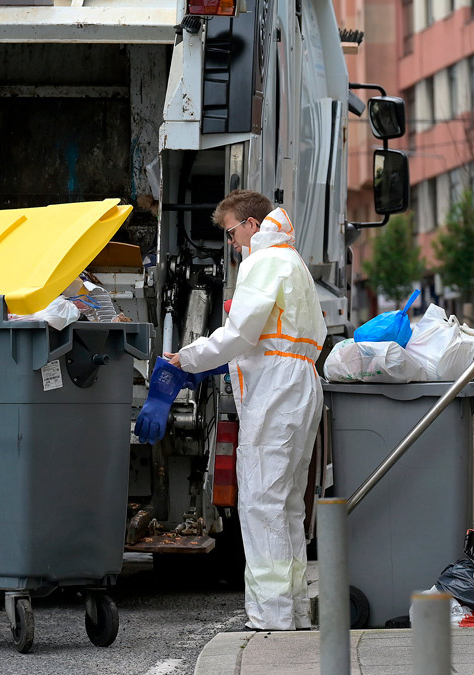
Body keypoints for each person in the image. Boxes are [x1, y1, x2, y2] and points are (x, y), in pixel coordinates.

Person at [166, 190, 326, 631]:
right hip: (300, 385)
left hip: (275, 389)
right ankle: (292, 609)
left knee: (261, 501)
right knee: (290, 503)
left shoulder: (264, 261)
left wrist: (190, 356)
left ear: (252, 226)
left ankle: (271, 615)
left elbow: (240, 333)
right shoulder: (294, 264)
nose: (233, 244)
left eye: (233, 233)